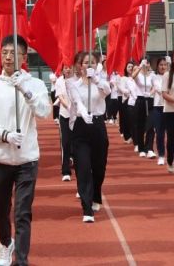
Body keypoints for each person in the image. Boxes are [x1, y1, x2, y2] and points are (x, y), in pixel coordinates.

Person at [0, 35, 51, 266]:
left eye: (14, 53)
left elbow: (44, 112)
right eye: (5, 52)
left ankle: (22, 260)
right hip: (0, 158)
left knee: (22, 212)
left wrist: (26, 91)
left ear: (24, 57)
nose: (8, 57)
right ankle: (5, 243)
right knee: (1, 209)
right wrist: (5, 135)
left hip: (27, 159)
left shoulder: (35, 84)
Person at [65, 51, 111, 222]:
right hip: (81, 126)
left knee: (99, 167)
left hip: (98, 126)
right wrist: (84, 113)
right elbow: (77, 101)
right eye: (85, 62)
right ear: (80, 66)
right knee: (83, 167)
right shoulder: (73, 84)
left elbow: (107, 91)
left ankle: (96, 195)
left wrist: (96, 79)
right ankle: (87, 208)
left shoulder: (101, 82)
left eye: (92, 62)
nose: (88, 65)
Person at [54, 59, 77, 182]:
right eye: (65, 68)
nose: (68, 70)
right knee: (65, 143)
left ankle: (78, 165)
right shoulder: (59, 81)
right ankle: (66, 171)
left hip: (77, 116)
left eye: (70, 67)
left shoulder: (77, 80)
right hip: (65, 115)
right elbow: (60, 97)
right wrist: (69, 107)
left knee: (77, 142)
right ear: (62, 70)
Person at [132, 59, 156, 159]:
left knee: (151, 124)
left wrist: (150, 93)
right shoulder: (139, 74)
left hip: (149, 100)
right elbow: (133, 76)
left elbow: (155, 86)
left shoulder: (152, 75)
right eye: (144, 62)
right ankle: (141, 148)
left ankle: (149, 148)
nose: (146, 64)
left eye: (147, 63)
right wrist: (140, 66)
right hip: (140, 100)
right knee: (140, 126)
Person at [151, 57, 168, 166]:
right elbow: (159, 89)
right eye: (161, 65)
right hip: (158, 107)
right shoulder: (154, 77)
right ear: (157, 66)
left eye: (165, 65)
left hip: (170, 108)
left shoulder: (171, 76)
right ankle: (161, 155)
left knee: (172, 133)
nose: (163, 67)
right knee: (160, 133)